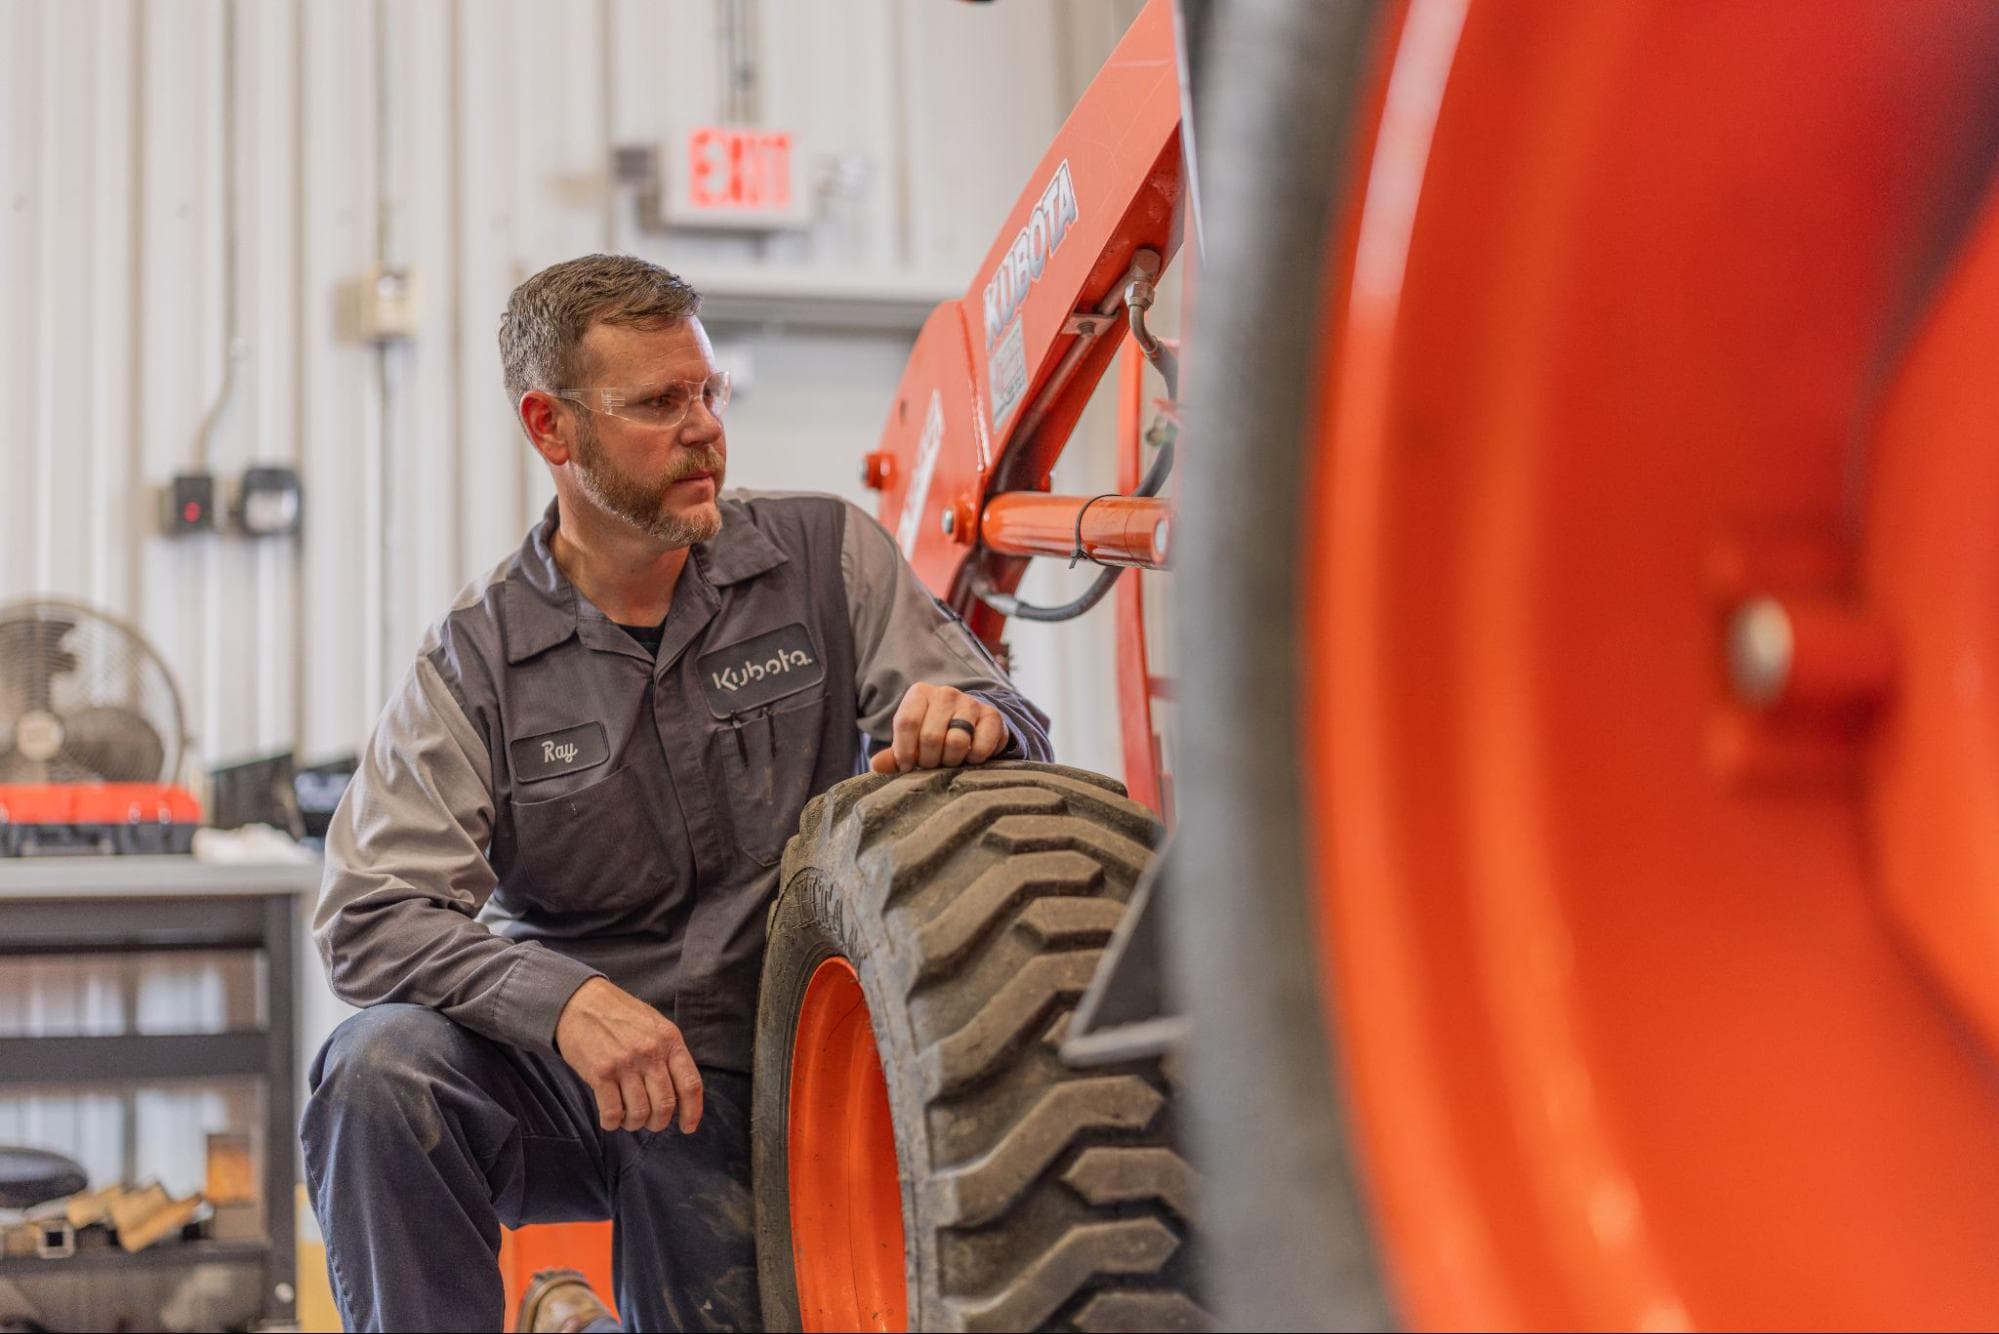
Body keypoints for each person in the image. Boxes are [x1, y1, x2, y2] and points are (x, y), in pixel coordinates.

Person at [300, 253, 1052, 1332]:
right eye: (659, 402)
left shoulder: (825, 554)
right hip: (571, 1081)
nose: (703, 427)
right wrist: (562, 1001)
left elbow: (1003, 712)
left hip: (786, 1074)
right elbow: (367, 914)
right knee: (376, 1074)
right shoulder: (476, 658)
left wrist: (976, 718)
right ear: (550, 428)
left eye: (709, 392)